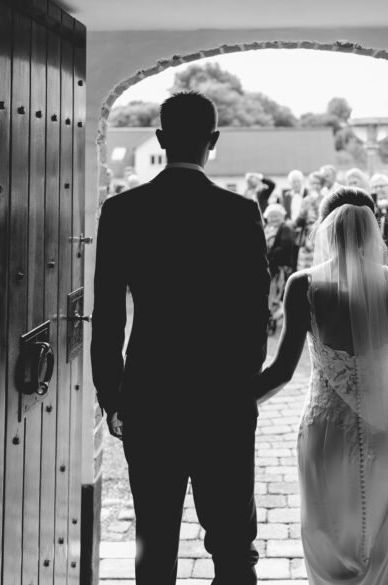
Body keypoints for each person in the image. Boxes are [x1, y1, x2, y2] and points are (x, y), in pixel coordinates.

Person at [91, 91, 270, 585]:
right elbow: (257, 317)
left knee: (154, 539)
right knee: (234, 544)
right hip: (223, 401)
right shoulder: (239, 212)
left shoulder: (123, 211)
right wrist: (239, 388)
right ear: (213, 141)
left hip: (150, 395)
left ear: (161, 138)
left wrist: (112, 394)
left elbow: (106, 314)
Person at [251, 187, 388, 584]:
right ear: (372, 230)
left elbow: (281, 371)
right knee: (385, 548)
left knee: (330, 547)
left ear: (325, 228)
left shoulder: (303, 286)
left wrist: (234, 400)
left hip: (327, 434)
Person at [295, 171, 325, 270]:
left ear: (322, 185)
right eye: (313, 183)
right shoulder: (306, 200)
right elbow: (299, 221)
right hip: (307, 240)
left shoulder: (326, 199)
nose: (315, 186)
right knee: (304, 271)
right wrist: (303, 213)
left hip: (322, 238)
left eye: (318, 183)